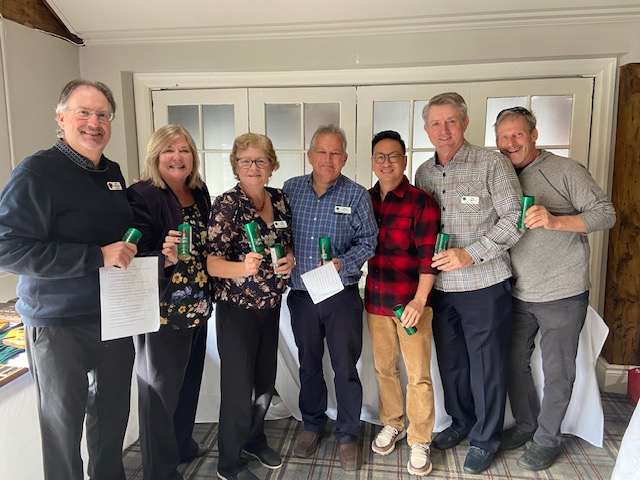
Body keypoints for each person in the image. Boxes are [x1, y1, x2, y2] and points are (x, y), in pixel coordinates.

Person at [0, 79, 137, 479]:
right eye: (84, 112)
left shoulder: (111, 173)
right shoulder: (37, 172)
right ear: (61, 117)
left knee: (112, 418)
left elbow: (115, 240)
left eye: (102, 115)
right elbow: (7, 248)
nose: (94, 122)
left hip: (113, 315)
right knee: (63, 427)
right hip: (58, 322)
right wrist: (95, 257)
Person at [494, 106, 616, 471]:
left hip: (562, 290)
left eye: (518, 134)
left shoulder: (565, 170)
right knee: (513, 363)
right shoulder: (500, 174)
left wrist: (556, 220)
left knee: (558, 369)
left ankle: (547, 438)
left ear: (534, 134)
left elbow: (605, 213)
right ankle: (527, 425)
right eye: (503, 137)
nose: (510, 143)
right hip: (517, 290)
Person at [414, 92, 522, 475]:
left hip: (483, 285)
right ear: (426, 129)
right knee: (452, 364)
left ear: (465, 123)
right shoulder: (423, 172)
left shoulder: (492, 164)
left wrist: (470, 254)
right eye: (436, 123)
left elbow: (514, 219)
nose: (443, 130)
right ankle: (461, 422)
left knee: (486, 366)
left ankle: (485, 438)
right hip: (441, 290)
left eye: (451, 122)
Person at [283, 124, 378, 471]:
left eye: (335, 153)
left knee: (344, 366)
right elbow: (278, 231)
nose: (328, 159)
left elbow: (369, 241)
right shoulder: (290, 189)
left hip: (340, 295)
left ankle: (348, 433)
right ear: (309, 156)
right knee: (309, 363)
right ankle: (312, 423)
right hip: (302, 295)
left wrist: (344, 262)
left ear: (345, 158)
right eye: (321, 152)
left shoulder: (356, 195)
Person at [207, 132, 294, 480]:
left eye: (261, 160)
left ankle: (254, 439)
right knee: (238, 387)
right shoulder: (227, 204)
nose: (254, 167)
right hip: (237, 310)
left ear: (271, 165)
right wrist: (242, 268)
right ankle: (229, 462)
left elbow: (287, 246)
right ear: (235, 166)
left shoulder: (280, 198)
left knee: (263, 382)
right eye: (246, 161)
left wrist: (289, 259)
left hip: (271, 306)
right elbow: (211, 263)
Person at [127, 124, 213, 479]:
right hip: (162, 311)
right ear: (155, 156)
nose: (178, 157)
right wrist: (162, 256)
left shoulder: (199, 191)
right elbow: (130, 255)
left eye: (185, 150)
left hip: (197, 305)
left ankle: (181, 444)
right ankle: (159, 470)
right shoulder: (142, 195)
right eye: (169, 150)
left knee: (188, 382)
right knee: (159, 394)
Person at [365, 130, 440, 476]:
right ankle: (393, 422)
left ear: (404, 161)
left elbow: (429, 258)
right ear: (372, 162)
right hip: (376, 302)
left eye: (393, 156)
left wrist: (420, 300)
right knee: (383, 369)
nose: (386, 162)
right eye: (380, 156)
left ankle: (420, 438)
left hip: (411, 305)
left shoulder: (421, 202)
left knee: (418, 375)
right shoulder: (364, 200)